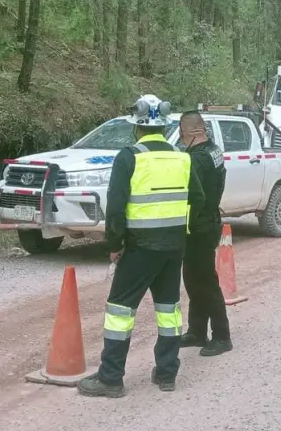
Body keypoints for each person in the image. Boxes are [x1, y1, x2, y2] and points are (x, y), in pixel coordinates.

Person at [78, 94, 205, 398]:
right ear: (164, 127)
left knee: (120, 311)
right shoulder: (182, 158)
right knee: (168, 311)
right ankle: (166, 373)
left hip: (139, 249)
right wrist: (180, 230)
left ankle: (110, 378)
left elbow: (116, 209)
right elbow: (198, 200)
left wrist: (115, 244)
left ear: (136, 127)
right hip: (174, 248)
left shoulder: (129, 157)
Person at [177, 111, 233, 357]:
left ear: (188, 133)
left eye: (180, 135)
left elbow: (193, 197)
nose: (180, 139)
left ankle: (222, 336)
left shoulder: (196, 160)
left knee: (205, 281)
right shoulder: (214, 150)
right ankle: (197, 331)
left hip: (199, 225)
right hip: (209, 221)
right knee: (192, 278)